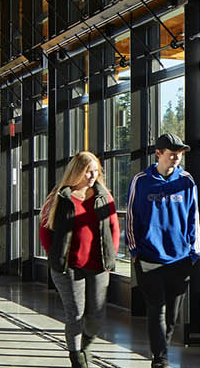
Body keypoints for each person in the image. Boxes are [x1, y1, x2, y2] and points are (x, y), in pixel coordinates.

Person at [41, 151, 120, 368]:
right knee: (75, 314)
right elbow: (45, 231)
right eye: (88, 171)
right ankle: (77, 358)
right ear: (77, 171)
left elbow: (114, 229)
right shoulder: (60, 197)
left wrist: (110, 258)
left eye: (96, 171)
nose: (93, 176)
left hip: (98, 266)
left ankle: (85, 345)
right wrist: (56, 256)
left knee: (97, 315)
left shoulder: (104, 196)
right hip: (69, 267)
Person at [129, 133, 200, 368]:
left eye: (179, 155)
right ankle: (160, 359)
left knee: (171, 315)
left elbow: (194, 217)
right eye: (172, 154)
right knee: (156, 309)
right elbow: (132, 217)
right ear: (158, 154)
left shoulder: (187, 181)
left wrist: (194, 252)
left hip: (180, 258)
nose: (176, 158)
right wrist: (134, 251)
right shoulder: (141, 181)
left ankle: (162, 352)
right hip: (149, 257)